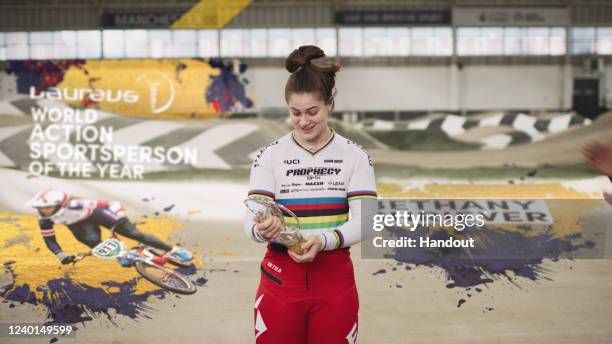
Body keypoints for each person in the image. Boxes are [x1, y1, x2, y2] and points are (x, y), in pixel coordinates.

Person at [244, 45, 377, 344]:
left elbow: (366, 221)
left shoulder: (355, 156)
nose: (304, 121)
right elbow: (250, 219)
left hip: (335, 281)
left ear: (330, 103)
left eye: (312, 112)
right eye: (295, 113)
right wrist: (261, 229)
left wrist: (325, 239)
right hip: (280, 279)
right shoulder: (268, 156)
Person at [26, 189, 193, 265]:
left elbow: (111, 203)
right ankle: (125, 255)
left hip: (101, 213)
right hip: (79, 225)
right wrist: (60, 255)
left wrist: (120, 216)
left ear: (59, 204)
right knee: (96, 244)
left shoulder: (76, 204)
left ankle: (173, 250)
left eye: (45, 207)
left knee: (133, 233)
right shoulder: (45, 220)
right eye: (40, 208)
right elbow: (49, 239)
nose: (42, 211)